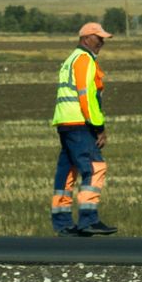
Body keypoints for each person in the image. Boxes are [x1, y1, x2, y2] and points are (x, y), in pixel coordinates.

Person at [50, 21, 116, 236]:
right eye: (99, 38)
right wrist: (99, 127)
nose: (102, 43)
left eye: (103, 39)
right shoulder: (84, 60)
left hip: (65, 123)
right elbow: (87, 96)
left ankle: (63, 223)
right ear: (86, 38)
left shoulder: (71, 59)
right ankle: (88, 218)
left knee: (67, 172)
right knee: (95, 167)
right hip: (79, 124)